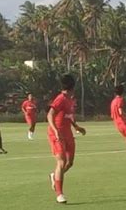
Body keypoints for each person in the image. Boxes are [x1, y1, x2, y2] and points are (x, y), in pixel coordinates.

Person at [47, 74, 86, 203]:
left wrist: (77, 127)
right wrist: (55, 130)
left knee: (69, 163)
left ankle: (54, 175)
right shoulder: (60, 99)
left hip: (68, 133)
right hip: (57, 133)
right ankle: (59, 194)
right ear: (73, 87)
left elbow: (69, 116)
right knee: (62, 162)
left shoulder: (70, 100)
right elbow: (50, 115)